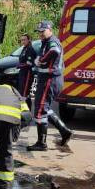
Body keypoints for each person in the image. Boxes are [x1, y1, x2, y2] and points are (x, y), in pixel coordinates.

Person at [26, 21, 73, 151]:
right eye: (39, 31)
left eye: (42, 31)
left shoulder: (52, 41)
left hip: (50, 80)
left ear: (49, 30)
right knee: (45, 109)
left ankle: (42, 143)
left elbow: (55, 51)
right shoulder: (45, 42)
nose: (40, 34)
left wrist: (41, 60)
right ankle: (64, 131)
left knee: (40, 110)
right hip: (48, 80)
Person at [16, 33, 37, 103]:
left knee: (24, 93)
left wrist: (20, 65)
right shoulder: (24, 48)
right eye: (22, 40)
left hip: (27, 74)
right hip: (22, 73)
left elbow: (30, 63)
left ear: (29, 40)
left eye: (24, 40)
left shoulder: (30, 49)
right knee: (21, 91)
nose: (23, 42)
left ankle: (26, 110)